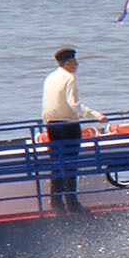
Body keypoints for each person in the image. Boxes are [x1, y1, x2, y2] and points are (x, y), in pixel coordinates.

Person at [40, 46, 104, 212]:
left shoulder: (50, 77)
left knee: (56, 162)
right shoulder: (70, 78)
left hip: (52, 124)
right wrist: (96, 115)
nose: (77, 64)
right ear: (68, 63)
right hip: (68, 125)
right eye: (75, 61)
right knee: (70, 164)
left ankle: (56, 201)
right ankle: (71, 201)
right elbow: (74, 104)